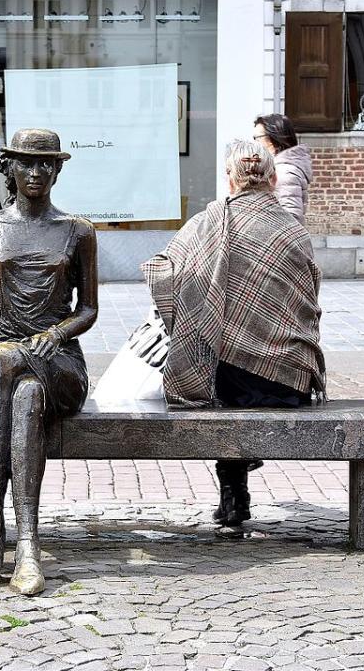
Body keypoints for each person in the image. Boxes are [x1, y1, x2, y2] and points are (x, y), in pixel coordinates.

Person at [142, 139, 324, 529]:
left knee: (214, 359)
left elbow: (162, 271)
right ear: (273, 179)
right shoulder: (294, 231)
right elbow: (311, 297)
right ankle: (235, 493)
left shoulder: (207, 223)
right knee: (226, 362)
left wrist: (199, 305)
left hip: (221, 380)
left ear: (229, 179)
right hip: (289, 377)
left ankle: (232, 492)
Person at [0, 128, 98, 596]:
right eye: (26, 163)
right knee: (22, 389)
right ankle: (28, 540)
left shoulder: (77, 230)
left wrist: (55, 335)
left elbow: (89, 308)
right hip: (7, 371)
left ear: (57, 170)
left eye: (46, 164)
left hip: (61, 364)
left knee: (5, 362)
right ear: (8, 168)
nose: (36, 172)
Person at [253, 113, 312, 224]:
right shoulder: (277, 167)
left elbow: (292, 219)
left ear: (273, 139)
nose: (255, 143)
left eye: (257, 138)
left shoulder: (284, 172)